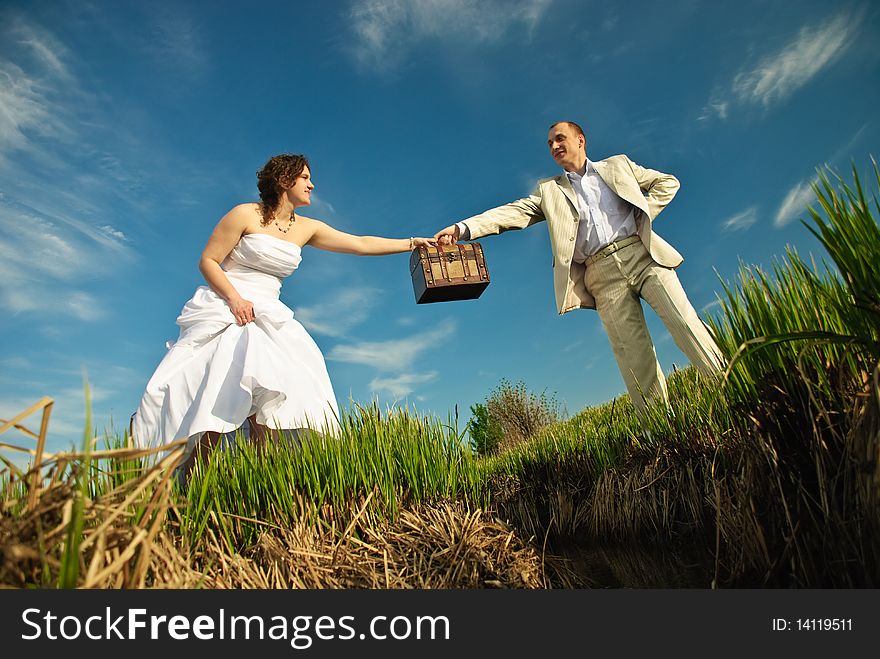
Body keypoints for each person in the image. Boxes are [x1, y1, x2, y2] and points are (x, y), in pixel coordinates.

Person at [132, 153, 436, 474]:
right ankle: (191, 485)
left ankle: (263, 483)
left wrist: (415, 243)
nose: (311, 184)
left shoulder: (307, 228)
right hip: (230, 308)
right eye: (305, 177)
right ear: (283, 180)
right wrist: (235, 299)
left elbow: (359, 243)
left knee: (274, 398)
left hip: (269, 313)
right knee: (217, 403)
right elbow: (208, 260)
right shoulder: (244, 215)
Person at [434, 121, 723, 420]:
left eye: (560, 139)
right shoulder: (549, 191)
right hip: (600, 275)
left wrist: (642, 216)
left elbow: (667, 182)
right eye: (549, 144)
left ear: (580, 140)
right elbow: (513, 213)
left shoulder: (618, 165)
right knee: (635, 358)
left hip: (641, 254)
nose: (554, 147)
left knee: (685, 323)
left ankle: (735, 393)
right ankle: (663, 431)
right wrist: (462, 228)